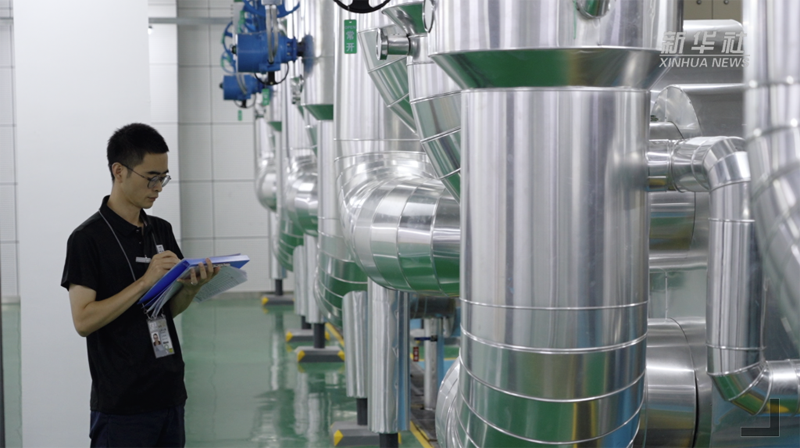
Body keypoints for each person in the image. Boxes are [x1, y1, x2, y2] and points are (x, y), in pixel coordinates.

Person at [61, 123, 219, 448]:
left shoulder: (160, 230)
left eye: (164, 178)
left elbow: (167, 309)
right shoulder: (87, 239)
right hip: (122, 404)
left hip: (169, 392)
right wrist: (145, 281)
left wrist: (191, 287)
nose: (158, 187)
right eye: (151, 177)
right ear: (119, 171)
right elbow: (83, 320)